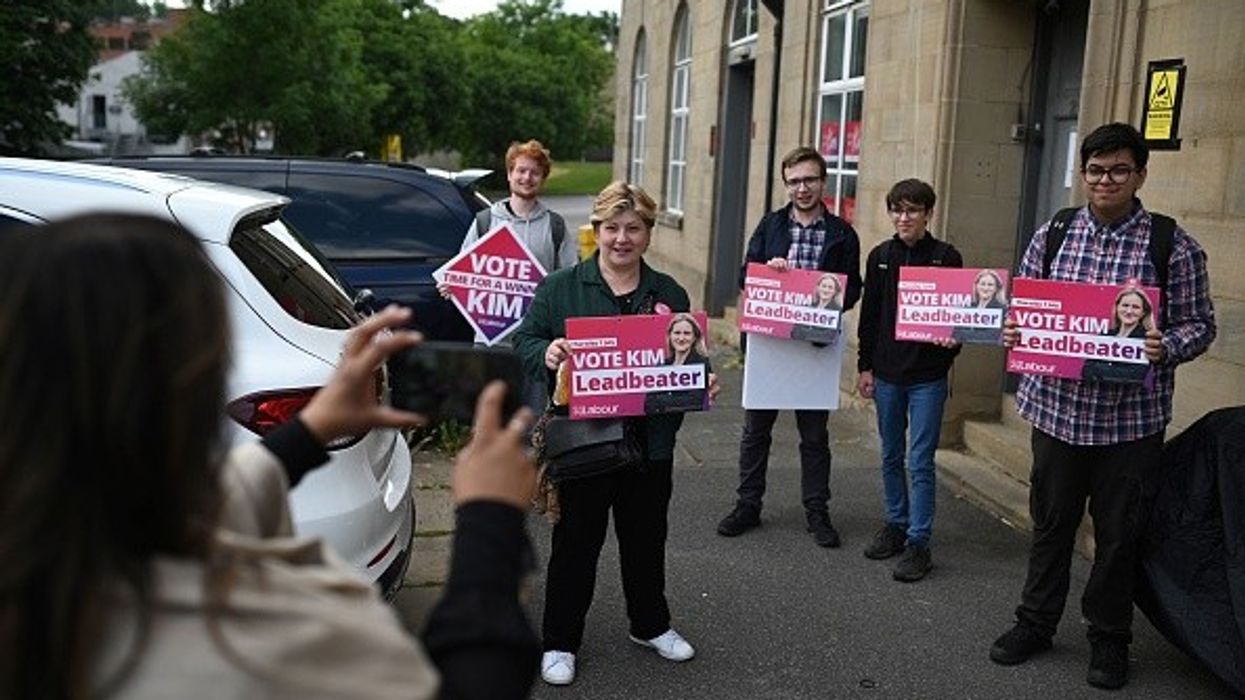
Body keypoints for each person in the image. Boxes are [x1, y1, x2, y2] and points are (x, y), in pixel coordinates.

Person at [0, 214, 541, 700]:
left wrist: (310, 431)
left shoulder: (55, 553)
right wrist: (489, 524)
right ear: (192, 391)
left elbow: (215, 502)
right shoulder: (273, 643)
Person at [990, 123, 1216, 690]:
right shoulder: (1055, 232)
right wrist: (1014, 329)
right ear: (1082, 173)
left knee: (1119, 536)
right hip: (1058, 416)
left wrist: (1171, 346)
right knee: (1050, 526)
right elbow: (1024, 308)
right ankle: (1035, 623)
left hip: (1130, 426)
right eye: (1095, 170)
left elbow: (1200, 325)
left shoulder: (1172, 244)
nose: (1105, 179)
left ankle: (1109, 636)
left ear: (1140, 174)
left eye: (1118, 169)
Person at [513, 182, 718, 687]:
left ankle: (649, 624)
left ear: (649, 234)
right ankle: (560, 641)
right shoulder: (561, 287)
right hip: (586, 441)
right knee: (576, 544)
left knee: (646, 541)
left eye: (633, 229)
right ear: (597, 231)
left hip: (651, 444)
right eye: (611, 228)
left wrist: (700, 380)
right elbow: (525, 340)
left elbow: (686, 357)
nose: (621, 239)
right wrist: (549, 353)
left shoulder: (668, 294)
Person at [717, 146, 862, 547]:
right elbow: (748, 272)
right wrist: (770, 272)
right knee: (755, 431)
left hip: (816, 345)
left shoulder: (842, 233)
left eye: (809, 180)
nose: (802, 188)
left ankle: (817, 512)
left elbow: (854, 287)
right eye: (794, 181)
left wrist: (823, 294)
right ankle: (748, 504)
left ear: (823, 182)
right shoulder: (771, 225)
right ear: (786, 184)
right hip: (770, 343)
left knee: (814, 436)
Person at [856, 178, 962, 582]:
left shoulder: (946, 257)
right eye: (897, 210)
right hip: (887, 374)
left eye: (913, 210)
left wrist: (953, 345)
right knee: (889, 455)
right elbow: (870, 318)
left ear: (928, 214)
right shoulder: (881, 256)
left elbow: (959, 319)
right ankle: (896, 524)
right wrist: (865, 367)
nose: (904, 217)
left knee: (919, 461)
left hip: (928, 377)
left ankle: (919, 541)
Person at [439, 139, 577, 410]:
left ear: (543, 178)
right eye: (521, 170)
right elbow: (462, 272)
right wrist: (452, 286)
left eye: (534, 172)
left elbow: (570, 281)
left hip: (537, 344)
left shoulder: (555, 226)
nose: (527, 177)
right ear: (510, 173)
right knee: (489, 416)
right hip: (490, 341)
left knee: (531, 419)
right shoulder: (486, 221)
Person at [1079, 287, 1155, 383]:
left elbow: (1135, 376)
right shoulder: (1105, 335)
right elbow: (1086, 370)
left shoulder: (1146, 340)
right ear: (1117, 307)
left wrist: (1099, 369)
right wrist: (1114, 371)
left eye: (1135, 307)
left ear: (1143, 312)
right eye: (1125, 305)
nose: (1129, 311)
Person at [644, 312, 712, 415]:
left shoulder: (701, 364)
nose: (681, 338)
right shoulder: (663, 365)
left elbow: (694, 401)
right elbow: (648, 403)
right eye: (677, 333)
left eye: (687, 333)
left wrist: (662, 400)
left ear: (695, 337)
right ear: (670, 336)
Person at [951, 269, 1008, 345]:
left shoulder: (1001, 309)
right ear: (976, 286)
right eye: (982, 284)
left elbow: (989, 337)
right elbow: (955, 334)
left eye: (990, 285)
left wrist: (964, 335)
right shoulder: (968, 307)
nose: (985, 288)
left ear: (996, 288)